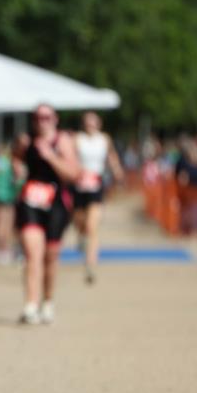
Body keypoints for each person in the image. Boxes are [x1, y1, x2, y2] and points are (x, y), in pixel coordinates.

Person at [13, 104, 80, 324]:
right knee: (33, 255)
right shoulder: (26, 140)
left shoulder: (63, 141)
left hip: (56, 204)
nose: (42, 121)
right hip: (30, 201)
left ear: (55, 119)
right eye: (38, 117)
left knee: (50, 256)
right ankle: (30, 305)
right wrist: (17, 169)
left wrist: (51, 156)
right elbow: (16, 157)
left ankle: (47, 301)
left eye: (47, 117)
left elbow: (74, 174)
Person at [71, 111, 123, 284]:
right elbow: (70, 158)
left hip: (96, 185)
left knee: (92, 226)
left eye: (93, 122)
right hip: (79, 185)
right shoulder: (77, 139)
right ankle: (80, 237)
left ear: (98, 124)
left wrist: (116, 170)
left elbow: (111, 156)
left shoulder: (104, 139)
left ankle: (90, 266)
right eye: (87, 122)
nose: (90, 125)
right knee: (80, 223)